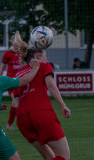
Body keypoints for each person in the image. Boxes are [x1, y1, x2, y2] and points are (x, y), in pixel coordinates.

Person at [13, 31, 71, 160]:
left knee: (49, 157)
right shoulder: (44, 66)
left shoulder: (18, 74)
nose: (47, 59)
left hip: (23, 119)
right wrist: (63, 105)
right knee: (64, 156)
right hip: (41, 113)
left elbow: (15, 100)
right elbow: (50, 85)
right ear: (38, 56)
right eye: (46, 55)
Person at [0, 35, 21, 130]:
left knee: (14, 104)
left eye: (18, 41)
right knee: (16, 102)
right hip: (10, 82)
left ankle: (9, 124)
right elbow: (3, 66)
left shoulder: (22, 53)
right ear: (11, 42)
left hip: (20, 81)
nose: (16, 43)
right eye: (14, 41)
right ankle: (22, 123)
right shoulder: (7, 54)